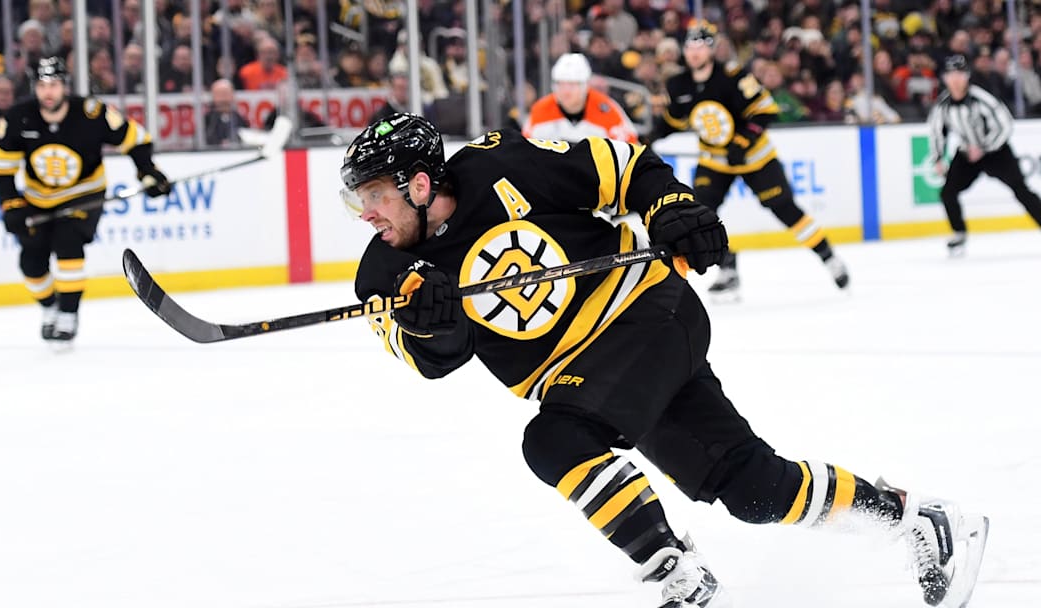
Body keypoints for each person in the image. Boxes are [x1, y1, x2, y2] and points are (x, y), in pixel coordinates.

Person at [340, 112, 989, 608]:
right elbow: (430, 361)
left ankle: (677, 577)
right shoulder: (384, 273)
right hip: (587, 377)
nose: (365, 214)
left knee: (556, 440)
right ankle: (916, 518)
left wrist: (671, 204)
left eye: (372, 195)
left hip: (647, 314)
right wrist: (434, 324)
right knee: (753, 489)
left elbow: (625, 168)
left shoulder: (505, 165)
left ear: (419, 183)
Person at [656, 22, 848, 299]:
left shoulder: (733, 77)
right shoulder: (679, 84)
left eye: (700, 46)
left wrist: (742, 141)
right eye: (689, 47)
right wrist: (649, 137)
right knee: (699, 214)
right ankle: (728, 268)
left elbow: (765, 111)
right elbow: (673, 120)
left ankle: (829, 257)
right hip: (716, 161)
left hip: (756, 159)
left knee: (783, 208)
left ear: (711, 49)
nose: (694, 53)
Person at [0, 56, 172, 346]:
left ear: (65, 86)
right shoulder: (17, 118)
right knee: (31, 262)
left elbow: (135, 138)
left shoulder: (91, 113)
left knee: (68, 243)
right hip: (38, 198)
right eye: (42, 85)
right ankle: (50, 307)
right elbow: (0, 168)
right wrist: (11, 203)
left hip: (83, 195)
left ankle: (68, 314)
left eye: (54, 84)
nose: (48, 91)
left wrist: (148, 171)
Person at [927, 54, 1041, 256]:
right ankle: (959, 234)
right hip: (966, 155)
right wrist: (938, 158)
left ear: (967, 76)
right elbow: (937, 132)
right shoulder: (942, 106)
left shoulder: (982, 98)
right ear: (945, 78)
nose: (955, 79)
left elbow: (1005, 124)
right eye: (951, 74)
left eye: (959, 73)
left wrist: (985, 147)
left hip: (996, 152)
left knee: (1021, 189)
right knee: (947, 192)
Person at [523, 52, 639, 144]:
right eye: (560, 84)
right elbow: (525, 149)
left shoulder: (606, 110)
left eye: (572, 85)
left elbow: (630, 148)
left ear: (585, 86)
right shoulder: (540, 110)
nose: (566, 91)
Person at [204, 78, 250, 145]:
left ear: (232, 95)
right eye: (219, 94)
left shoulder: (240, 119)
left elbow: (246, 137)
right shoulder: (207, 120)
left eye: (225, 93)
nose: (223, 98)